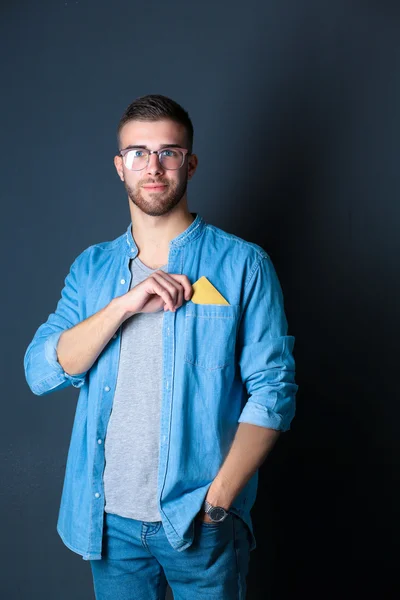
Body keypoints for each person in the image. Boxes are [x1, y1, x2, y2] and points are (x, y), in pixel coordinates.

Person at [23, 94, 298, 599]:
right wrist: (123, 306)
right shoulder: (92, 270)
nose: (153, 166)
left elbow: (274, 392)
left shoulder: (243, 265)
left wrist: (218, 502)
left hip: (199, 523)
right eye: (138, 152)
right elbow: (42, 370)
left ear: (189, 163)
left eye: (168, 152)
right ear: (119, 166)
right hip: (107, 524)